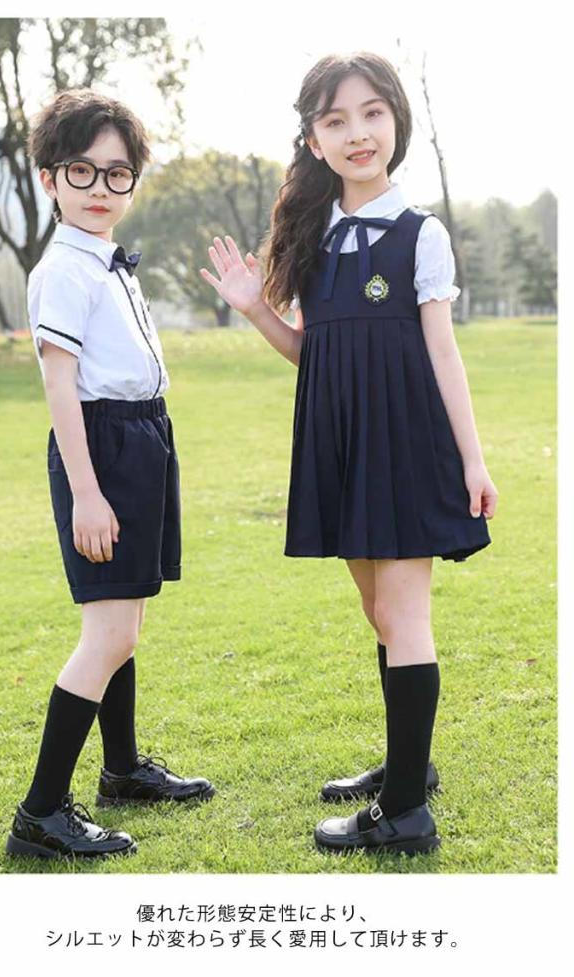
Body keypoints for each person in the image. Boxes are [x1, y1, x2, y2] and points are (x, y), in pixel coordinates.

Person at [200, 52, 497, 855]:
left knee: (404, 615)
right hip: (339, 442)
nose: (357, 133)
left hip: (405, 441)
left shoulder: (421, 235)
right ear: (314, 139)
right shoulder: (314, 233)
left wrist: (473, 459)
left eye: (371, 113)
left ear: (396, 119)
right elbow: (316, 352)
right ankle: (410, 765)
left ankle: (404, 814)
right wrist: (253, 309)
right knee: (378, 612)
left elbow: (443, 353)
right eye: (336, 120)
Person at [6, 89, 215, 861]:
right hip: (102, 444)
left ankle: (121, 768)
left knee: (126, 620)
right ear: (49, 178)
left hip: (141, 435)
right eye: (82, 171)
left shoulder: (104, 259)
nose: (101, 188)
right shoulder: (64, 269)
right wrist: (88, 493)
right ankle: (40, 813)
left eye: (117, 173)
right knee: (110, 631)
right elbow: (60, 384)